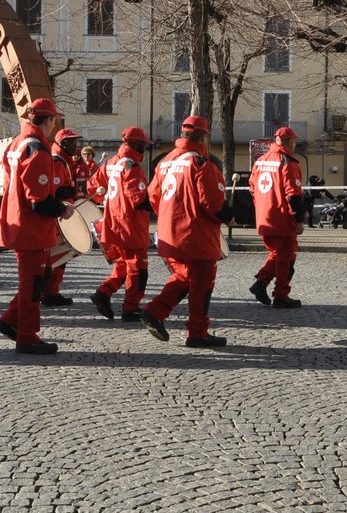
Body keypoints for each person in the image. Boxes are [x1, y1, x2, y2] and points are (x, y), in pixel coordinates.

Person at [141, 115, 229, 348]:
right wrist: (229, 218)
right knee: (201, 282)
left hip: (169, 231)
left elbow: (153, 196)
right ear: (203, 136)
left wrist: (169, 215)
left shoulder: (165, 161)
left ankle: (158, 312)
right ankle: (196, 332)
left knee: (184, 276)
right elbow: (213, 203)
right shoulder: (201, 163)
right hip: (195, 234)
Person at [0, 98, 69, 355]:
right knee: (33, 284)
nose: (54, 126)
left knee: (38, 279)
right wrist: (62, 209)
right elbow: (38, 200)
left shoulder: (17, 143)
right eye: (54, 121)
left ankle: (8, 320)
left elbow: (9, 173)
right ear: (48, 121)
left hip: (19, 222)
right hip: (31, 228)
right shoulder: (38, 148)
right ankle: (27, 336)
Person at [86, 126, 153, 322]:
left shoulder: (111, 162)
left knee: (123, 264)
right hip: (129, 225)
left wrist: (108, 203)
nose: (144, 149)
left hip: (113, 223)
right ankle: (130, 308)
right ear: (135, 144)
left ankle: (103, 293)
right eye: (143, 145)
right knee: (138, 268)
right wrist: (160, 205)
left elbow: (91, 187)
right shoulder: (132, 166)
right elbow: (138, 199)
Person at [250, 126, 309, 309]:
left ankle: (261, 283)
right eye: (294, 142)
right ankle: (280, 294)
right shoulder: (288, 162)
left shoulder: (260, 161)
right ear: (290, 142)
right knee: (286, 258)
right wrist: (299, 219)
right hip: (282, 217)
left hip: (263, 216)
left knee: (278, 254)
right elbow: (293, 194)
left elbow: (252, 188)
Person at [42, 127, 84, 307]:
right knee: (58, 255)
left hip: (61, 213)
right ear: (62, 143)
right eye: (72, 142)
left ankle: (51, 291)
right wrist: (73, 191)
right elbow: (57, 190)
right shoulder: (58, 162)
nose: (76, 145)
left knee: (60, 256)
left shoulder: (62, 161)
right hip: (58, 216)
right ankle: (49, 292)